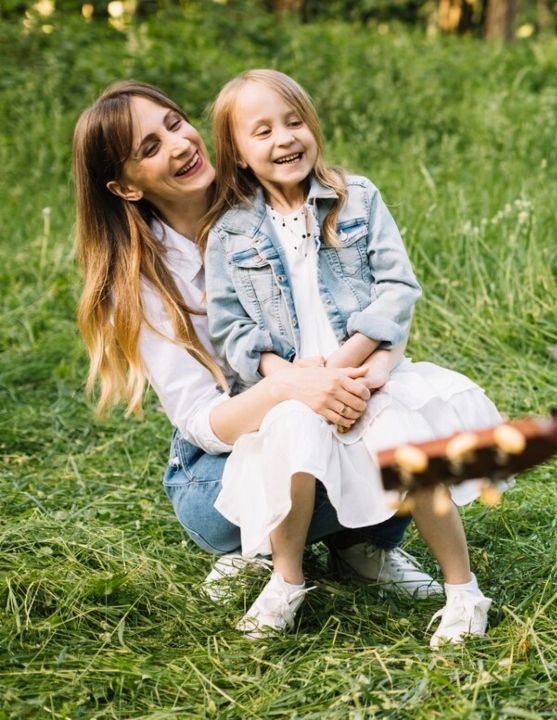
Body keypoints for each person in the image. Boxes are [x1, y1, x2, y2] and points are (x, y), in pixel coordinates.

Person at [72, 81, 443, 634]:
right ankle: (257, 551)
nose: (177, 145)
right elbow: (199, 419)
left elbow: (373, 295)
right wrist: (290, 388)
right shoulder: (142, 282)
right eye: (148, 148)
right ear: (125, 187)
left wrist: (376, 366)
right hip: (223, 454)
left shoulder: (278, 189)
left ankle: (362, 546)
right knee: (249, 490)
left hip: (332, 393)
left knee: (404, 420)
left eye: (174, 123)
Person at [201, 69, 498, 645]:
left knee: (411, 447)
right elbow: (230, 327)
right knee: (291, 439)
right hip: (291, 382)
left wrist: (360, 360)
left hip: (364, 372)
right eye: (261, 131)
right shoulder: (230, 233)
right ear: (236, 153)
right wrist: (282, 377)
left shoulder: (356, 197)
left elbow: (397, 287)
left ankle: (465, 592)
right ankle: (287, 581)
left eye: (294, 122)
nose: (284, 139)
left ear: (312, 125)